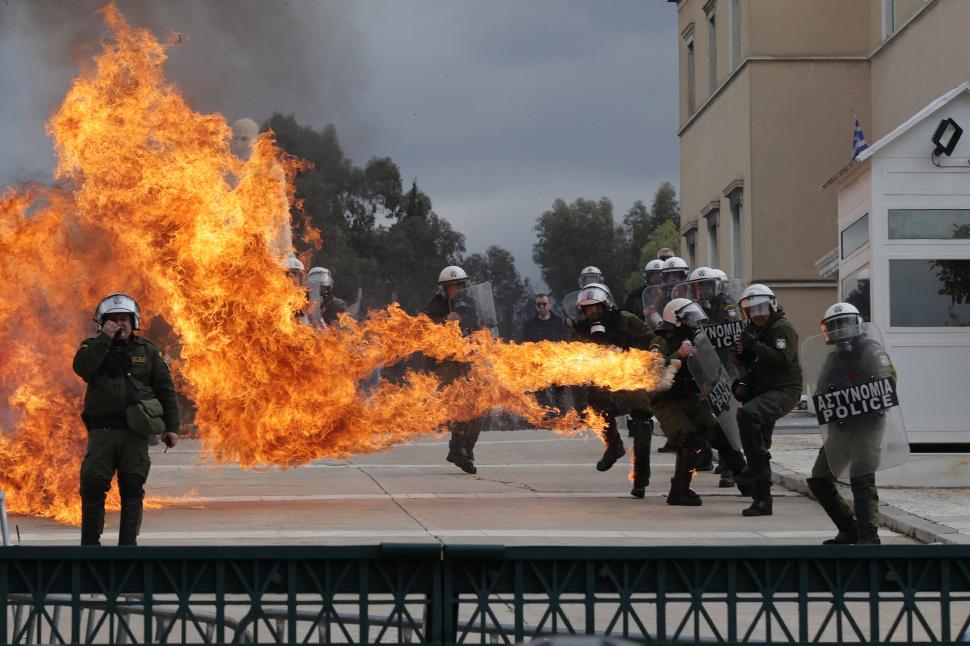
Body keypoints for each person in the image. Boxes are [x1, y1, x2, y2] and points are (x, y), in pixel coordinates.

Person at [73, 294, 180, 546]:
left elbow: (165, 390)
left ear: (134, 322)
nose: (119, 324)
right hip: (102, 433)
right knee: (92, 486)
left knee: (132, 488)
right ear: (102, 323)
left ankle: (128, 547)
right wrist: (104, 339)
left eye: (124, 320)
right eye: (113, 320)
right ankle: (90, 545)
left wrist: (172, 428)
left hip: (135, 434)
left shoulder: (148, 351)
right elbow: (82, 368)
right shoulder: (92, 347)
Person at [807, 303, 894, 545]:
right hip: (843, 426)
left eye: (845, 324)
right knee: (819, 479)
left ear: (857, 324)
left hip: (868, 425)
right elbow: (822, 389)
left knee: (862, 475)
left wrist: (856, 393)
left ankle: (869, 535)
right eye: (835, 326)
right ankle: (849, 528)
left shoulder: (872, 351)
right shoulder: (834, 359)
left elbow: (888, 383)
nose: (841, 331)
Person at [570, 283, 655, 498]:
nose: (592, 313)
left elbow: (651, 337)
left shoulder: (625, 320)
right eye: (587, 309)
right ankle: (614, 445)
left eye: (596, 308)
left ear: (605, 305)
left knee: (643, 421)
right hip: (604, 380)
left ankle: (640, 479)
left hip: (630, 377)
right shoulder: (581, 330)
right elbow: (573, 357)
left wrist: (651, 351)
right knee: (595, 401)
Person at [733, 284, 802, 517]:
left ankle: (753, 467)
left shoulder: (781, 328)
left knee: (747, 415)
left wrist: (755, 345)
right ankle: (762, 501)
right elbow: (744, 363)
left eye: (761, 308)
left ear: (771, 305)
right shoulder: (752, 330)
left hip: (784, 389)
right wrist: (741, 355)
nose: (758, 314)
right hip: (762, 390)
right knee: (759, 441)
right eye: (751, 310)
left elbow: (782, 360)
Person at [648, 299, 722, 506]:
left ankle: (746, 480)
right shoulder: (660, 341)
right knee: (690, 441)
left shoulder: (694, 340)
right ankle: (678, 491)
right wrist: (678, 356)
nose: (693, 323)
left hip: (689, 397)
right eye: (688, 318)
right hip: (665, 401)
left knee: (717, 432)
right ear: (676, 320)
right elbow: (656, 373)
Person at [423, 265, 487, 474]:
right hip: (445, 364)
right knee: (463, 406)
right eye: (450, 286)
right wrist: (444, 323)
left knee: (479, 407)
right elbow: (423, 329)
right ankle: (456, 450)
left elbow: (480, 323)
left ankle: (466, 447)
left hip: (467, 361)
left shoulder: (469, 303)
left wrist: (482, 333)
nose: (455, 289)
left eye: (458, 285)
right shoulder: (435, 305)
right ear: (443, 288)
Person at [520, 294, 569, 411]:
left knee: (559, 395)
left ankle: (561, 417)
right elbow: (525, 344)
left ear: (549, 306)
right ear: (536, 307)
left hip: (555, 363)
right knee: (540, 394)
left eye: (544, 304)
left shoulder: (559, 322)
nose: (542, 306)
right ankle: (546, 417)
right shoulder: (529, 325)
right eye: (539, 304)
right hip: (537, 364)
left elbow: (565, 340)